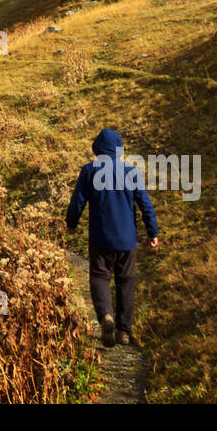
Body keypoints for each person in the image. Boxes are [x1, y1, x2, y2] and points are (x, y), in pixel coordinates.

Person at [65, 128, 158, 347]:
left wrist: (71, 224)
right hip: (127, 241)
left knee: (99, 276)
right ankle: (123, 331)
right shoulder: (131, 172)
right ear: (118, 150)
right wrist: (152, 232)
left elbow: (77, 201)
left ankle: (106, 315)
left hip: (100, 239)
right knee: (126, 282)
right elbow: (146, 205)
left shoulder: (89, 171)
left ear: (97, 148)